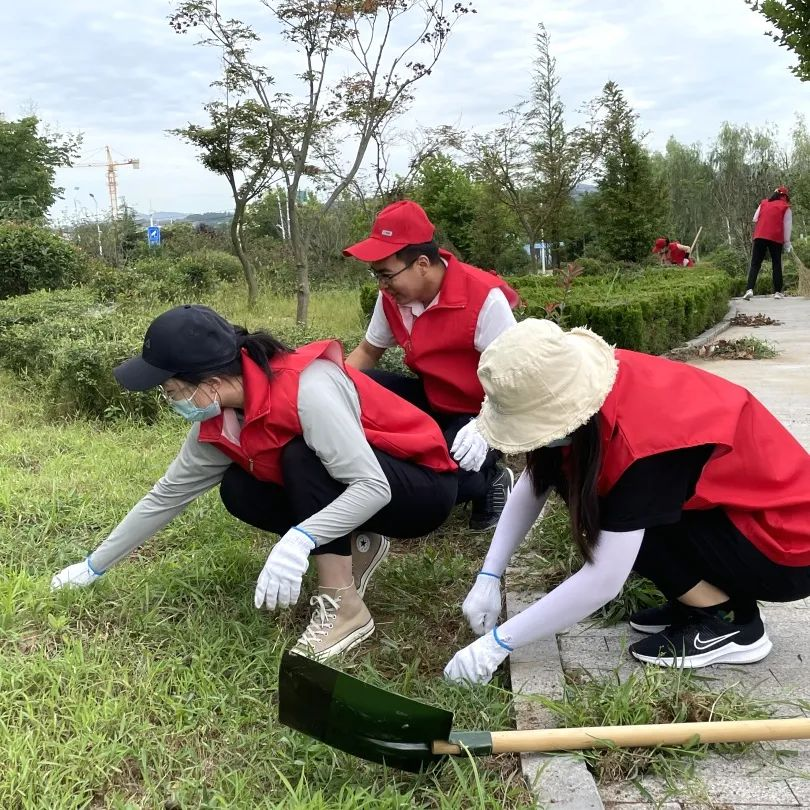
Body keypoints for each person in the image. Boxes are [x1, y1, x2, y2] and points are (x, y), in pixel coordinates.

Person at [50, 305, 458, 661]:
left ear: (211, 383)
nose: (169, 400)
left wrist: (299, 539)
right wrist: (92, 567)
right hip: (367, 490)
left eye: (173, 390)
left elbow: (372, 487)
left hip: (421, 488)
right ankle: (357, 544)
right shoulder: (218, 420)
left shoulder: (307, 389)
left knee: (300, 457)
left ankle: (345, 608)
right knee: (239, 489)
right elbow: (167, 495)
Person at [443, 318, 810, 684]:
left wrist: (498, 644)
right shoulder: (588, 384)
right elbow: (538, 476)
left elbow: (605, 578)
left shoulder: (644, 443)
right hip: (739, 518)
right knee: (603, 498)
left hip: (784, 545)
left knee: (616, 513)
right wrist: (489, 575)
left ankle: (727, 622)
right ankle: (699, 597)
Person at [344, 200, 520, 532]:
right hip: (433, 399)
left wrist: (486, 425)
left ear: (422, 263)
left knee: (442, 482)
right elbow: (368, 352)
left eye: (386, 274)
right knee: (355, 386)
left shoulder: (484, 299)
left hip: (484, 412)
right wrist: (328, 389)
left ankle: (490, 477)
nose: (382, 286)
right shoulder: (394, 300)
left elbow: (517, 377)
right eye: (376, 275)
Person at [744, 186, 793, 300]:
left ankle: (749, 289)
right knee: (776, 264)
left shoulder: (764, 203)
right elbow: (787, 227)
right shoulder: (786, 207)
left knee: (755, 264)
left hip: (760, 235)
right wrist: (787, 243)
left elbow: (755, 218)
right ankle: (777, 292)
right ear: (784, 196)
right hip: (775, 237)